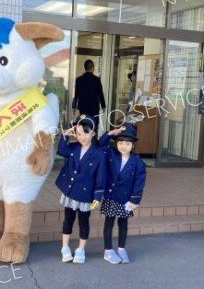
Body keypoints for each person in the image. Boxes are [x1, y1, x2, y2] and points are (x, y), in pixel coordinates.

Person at [55, 115, 106, 264]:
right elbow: (61, 150)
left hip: (86, 194)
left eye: (86, 133)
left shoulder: (99, 154)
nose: (82, 137)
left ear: (93, 134)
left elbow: (100, 177)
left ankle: (80, 249)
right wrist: (65, 135)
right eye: (79, 134)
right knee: (68, 220)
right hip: (70, 192)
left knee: (84, 222)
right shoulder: (73, 148)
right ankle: (64, 248)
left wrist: (97, 197)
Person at [98, 125, 146, 264]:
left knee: (123, 224)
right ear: (116, 143)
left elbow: (139, 182)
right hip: (111, 195)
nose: (123, 146)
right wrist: (110, 134)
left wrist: (135, 200)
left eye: (127, 143)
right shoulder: (110, 153)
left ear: (133, 144)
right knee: (109, 223)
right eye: (120, 142)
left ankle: (121, 249)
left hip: (126, 198)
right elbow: (100, 145)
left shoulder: (137, 162)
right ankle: (108, 250)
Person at [72, 59, 106, 131]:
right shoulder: (96, 80)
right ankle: (93, 140)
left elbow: (76, 94)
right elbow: (100, 94)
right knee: (94, 125)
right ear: (92, 68)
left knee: (84, 124)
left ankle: (84, 138)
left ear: (85, 68)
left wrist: (74, 107)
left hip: (83, 107)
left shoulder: (79, 80)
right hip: (94, 107)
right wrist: (103, 106)